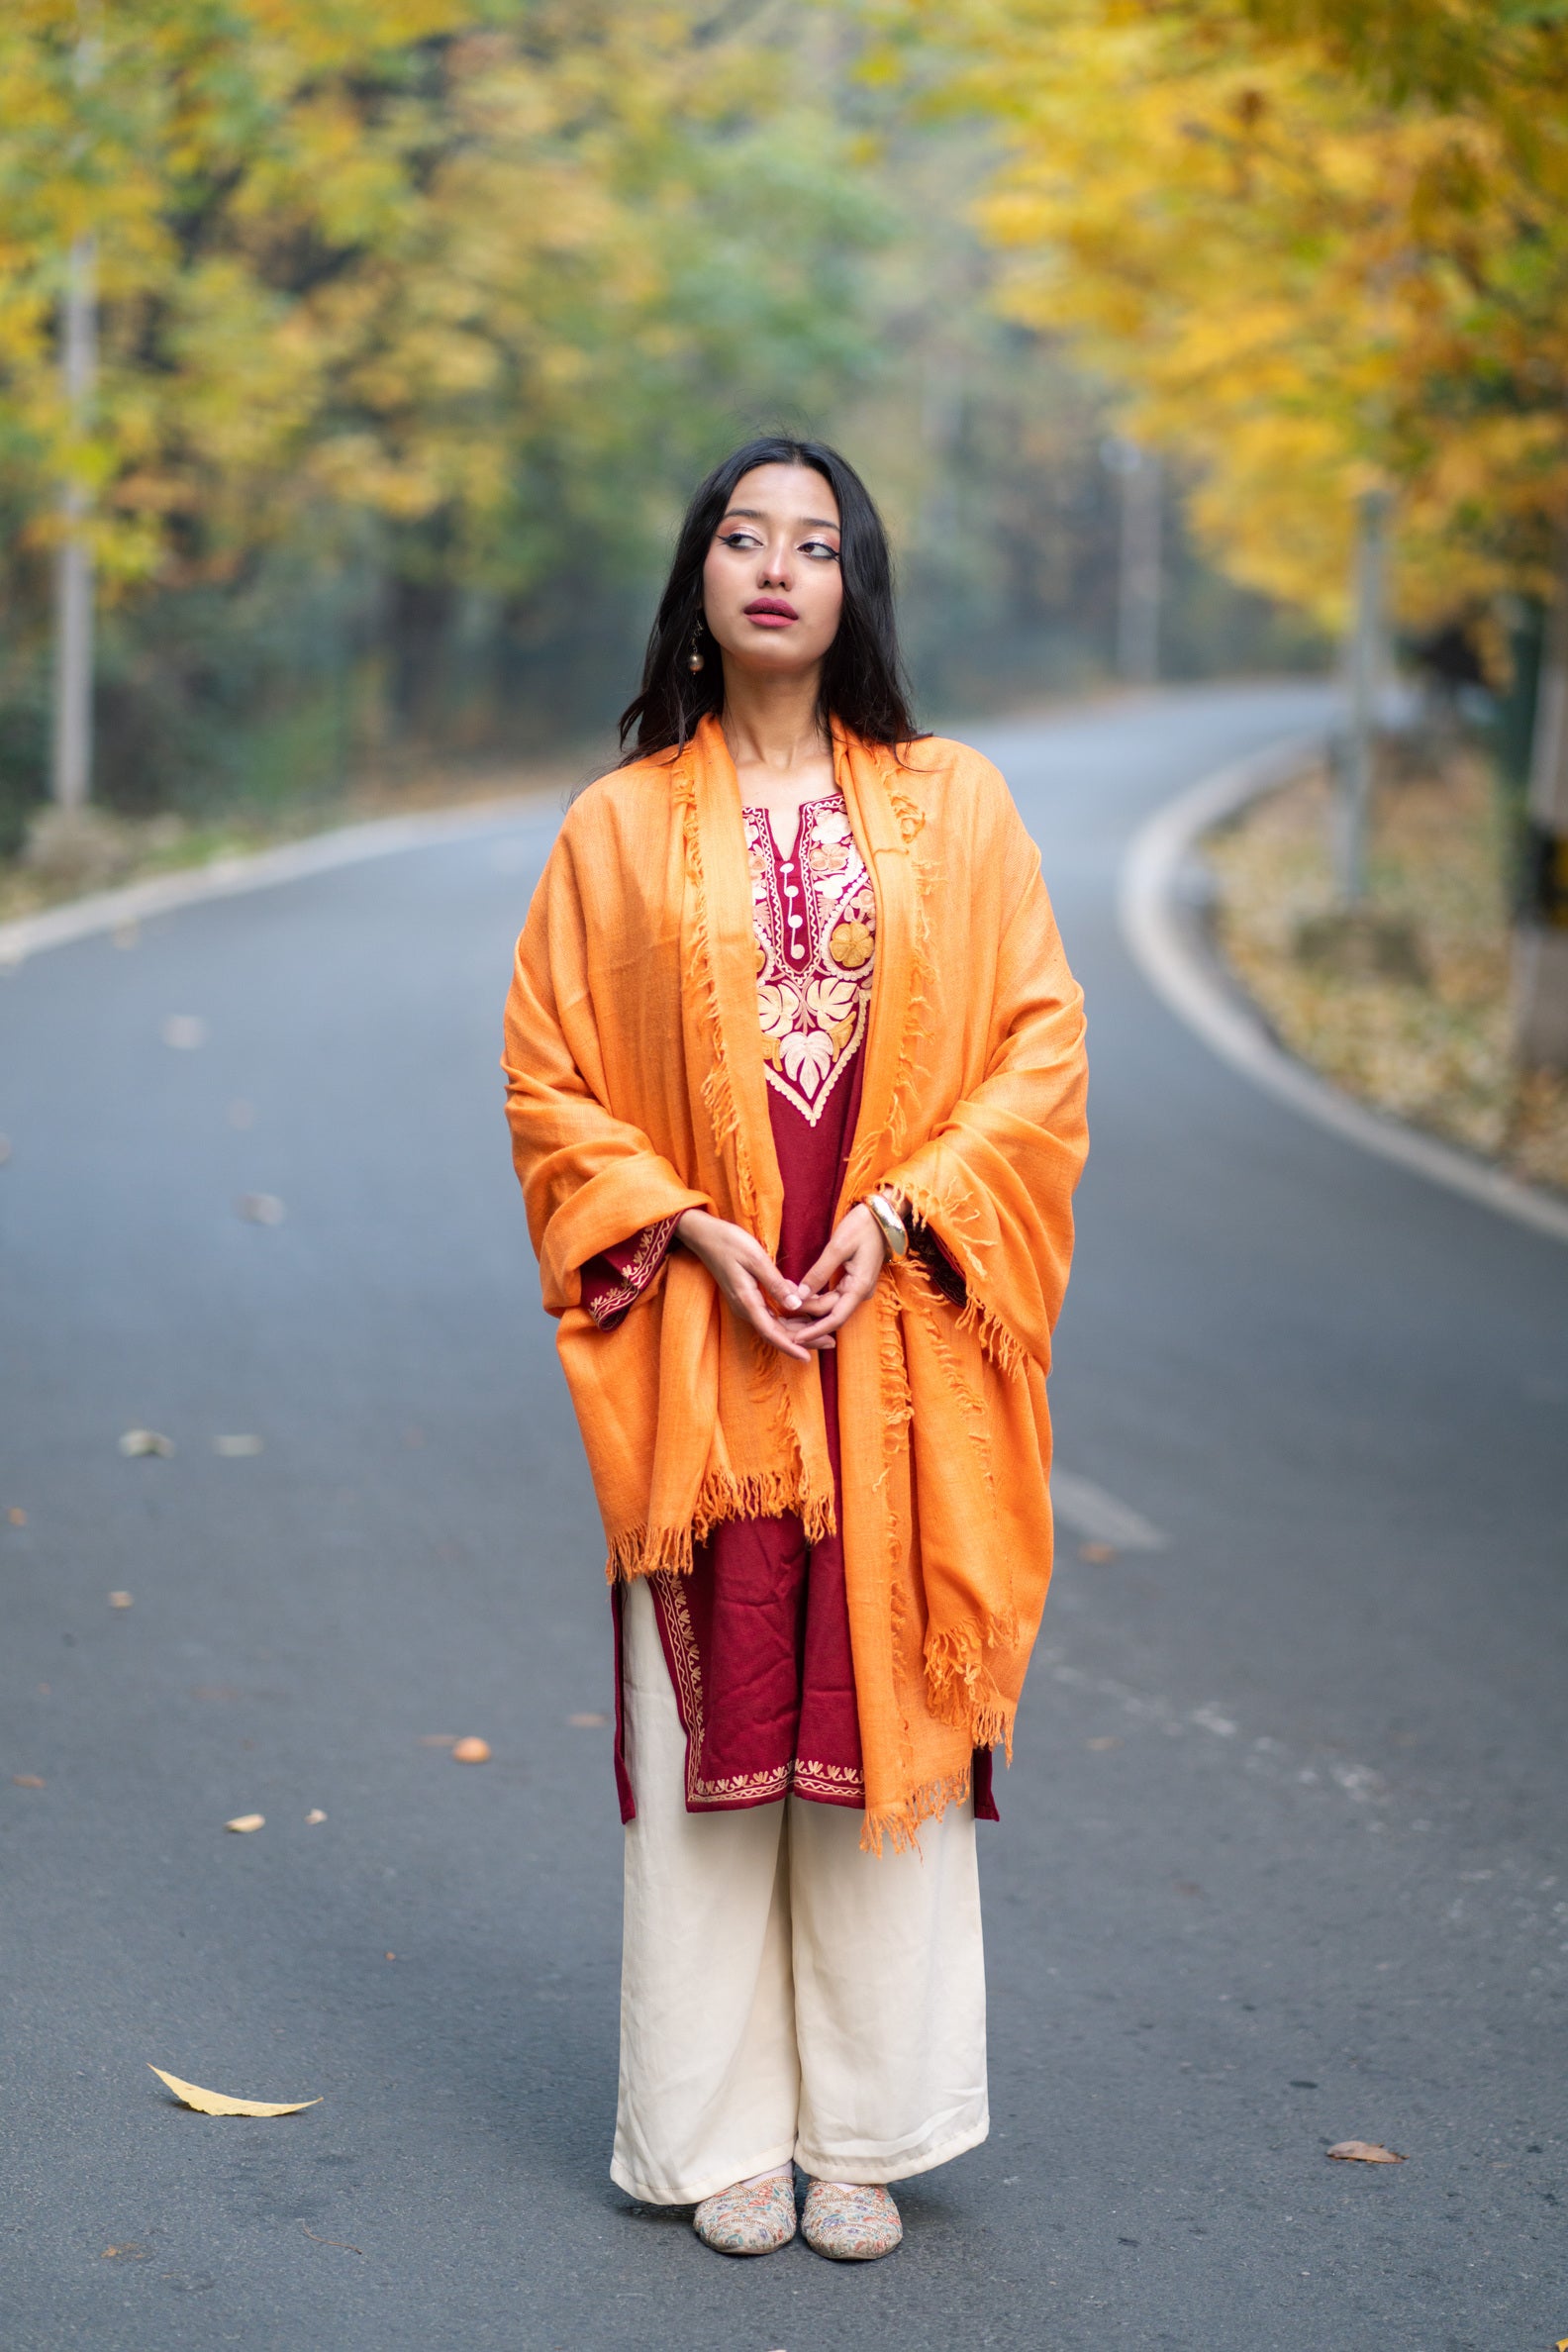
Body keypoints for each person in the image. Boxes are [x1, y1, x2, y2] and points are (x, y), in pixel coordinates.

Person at [502, 436, 1088, 2262]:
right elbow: (550, 1080)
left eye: (814, 543)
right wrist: (688, 1230)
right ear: (699, 579)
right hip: (708, 1336)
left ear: (855, 587)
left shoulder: (955, 806)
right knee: (717, 1719)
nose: (777, 567)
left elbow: (1040, 1052)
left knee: (876, 1708)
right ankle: (714, 2132)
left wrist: (900, 1215)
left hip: (894, 1329)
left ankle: (867, 2131)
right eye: (744, 537)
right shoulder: (615, 829)